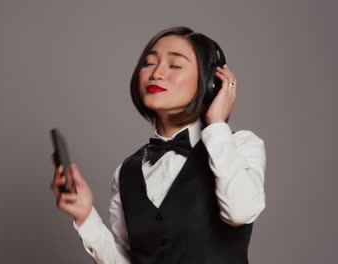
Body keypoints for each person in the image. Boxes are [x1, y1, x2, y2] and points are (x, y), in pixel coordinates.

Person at [50, 26, 266, 264]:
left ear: (211, 83)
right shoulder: (127, 171)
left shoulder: (241, 144)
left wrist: (216, 124)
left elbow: (240, 212)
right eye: (149, 63)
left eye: (174, 65)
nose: (156, 73)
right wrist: (85, 216)